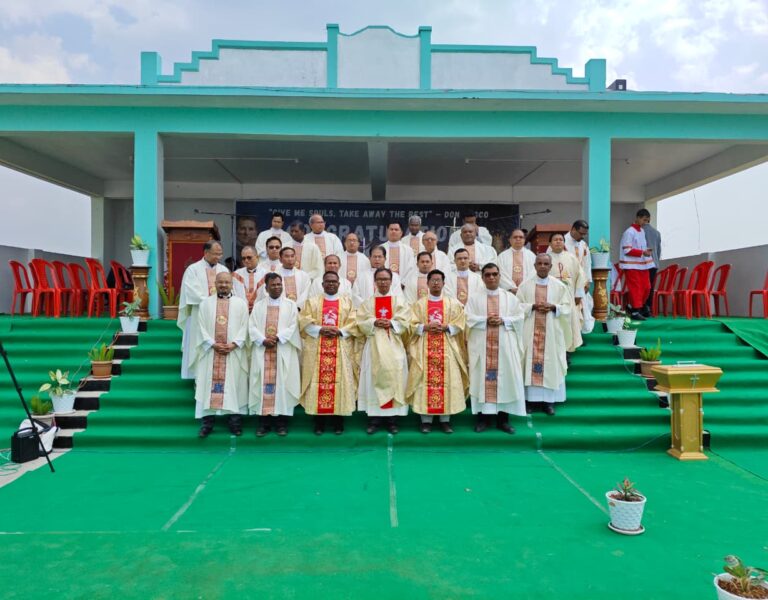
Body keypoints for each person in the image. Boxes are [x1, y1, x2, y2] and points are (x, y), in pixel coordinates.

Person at [465, 263, 526, 433]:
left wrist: (504, 320)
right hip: (482, 346)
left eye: (494, 274)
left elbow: (520, 317)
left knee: (504, 379)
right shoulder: (474, 299)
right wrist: (485, 320)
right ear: (482, 277)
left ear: (499, 276)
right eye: (487, 275)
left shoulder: (510, 298)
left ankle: (503, 420)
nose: (491, 277)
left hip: (504, 347)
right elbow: (467, 318)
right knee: (481, 379)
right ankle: (482, 419)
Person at [406, 269, 468, 434]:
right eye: (432, 280)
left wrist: (447, 327)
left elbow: (461, 323)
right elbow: (410, 324)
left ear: (443, 283)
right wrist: (424, 327)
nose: (435, 283)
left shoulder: (452, 303)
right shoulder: (419, 304)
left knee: (448, 380)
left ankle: (445, 420)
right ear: (427, 283)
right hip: (425, 347)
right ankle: (425, 420)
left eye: (438, 280)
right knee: (424, 380)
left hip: (446, 346)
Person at [300, 271, 358, 435]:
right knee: (317, 383)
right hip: (318, 349)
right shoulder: (312, 302)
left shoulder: (347, 302)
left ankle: (338, 421)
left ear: (339, 284)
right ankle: (319, 422)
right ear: (322, 284)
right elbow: (303, 320)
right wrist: (321, 329)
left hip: (340, 348)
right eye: (328, 282)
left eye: (334, 282)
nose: (331, 284)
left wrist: (340, 331)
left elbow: (354, 322)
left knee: (341, 382)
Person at [192, 272, 249, 437]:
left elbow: (245, 326)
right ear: (215, 284)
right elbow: (200, 327)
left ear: (232, 284)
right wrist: (213, 344)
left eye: (227, 282)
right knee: (206, 386)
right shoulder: (205, 304)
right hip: (211, 352)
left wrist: (234, 344)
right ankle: (207, 424)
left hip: (233, 353)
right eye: (220, 282)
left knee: (235, 386)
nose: (223, 285)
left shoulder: (240, 304)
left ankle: (235, 423)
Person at [356, 268, 411, 434]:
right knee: (373, 377)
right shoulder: (368, 302)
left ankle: (392, 419)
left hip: (393, 345)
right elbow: (360, 321)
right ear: (375, 281)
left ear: (391, 281)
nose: (383, 282)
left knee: (395, 377)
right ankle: (375, 419)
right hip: (373, 346)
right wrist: (373, 322)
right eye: (379, 279)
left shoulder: (399, 301)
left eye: (386, 279)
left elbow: (406, 321)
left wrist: (392, 323)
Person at [517, 254, 571, 416]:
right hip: (530, 331)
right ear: (534, 266)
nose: (542, 266)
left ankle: (549, 402)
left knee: (551, 364)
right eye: (539, 263)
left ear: (550, 266)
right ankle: (530, 401)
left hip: (552, 333)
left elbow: (568, 307)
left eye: (545, 264)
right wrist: (532, 306)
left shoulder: (559, 286)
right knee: (529, 362)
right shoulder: (525, 286)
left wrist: (554, 307)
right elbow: (517, 307)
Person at [248, 273, 302, 437]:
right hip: (263, 350)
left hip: (283, 350)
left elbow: (294, 325)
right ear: (266, 287)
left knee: (283, 385)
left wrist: (278, 337)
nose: (277, 287)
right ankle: (264, 423)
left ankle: (281, 423)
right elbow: (251, 326)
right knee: (262, 385)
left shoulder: (291, 305)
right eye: (273, 285)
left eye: (279, 284)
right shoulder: (258, 306)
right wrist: (262, 339)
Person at [177, 241, 229, 379]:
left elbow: (230, 289)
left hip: (221, 312)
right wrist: (211, 301)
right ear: (205, 253)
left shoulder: (223, 270)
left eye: (220, 254)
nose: (218, 257)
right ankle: (197, 378)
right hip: (199, 313)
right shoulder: (193, 269)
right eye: (215, 254)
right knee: (198, 343)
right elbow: (192, 292)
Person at [547, 232, 584, 353]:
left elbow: (580, 276)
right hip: (550, 298)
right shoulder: (545, 258)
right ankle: (554, 351)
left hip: (568, 297)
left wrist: (578, 294)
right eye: (555, 240)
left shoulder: (571, 257)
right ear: (550, 243)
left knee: (568, 324)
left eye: (561, 240)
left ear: (564, 243)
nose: (558, 242)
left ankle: (567, 352)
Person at [620, 209, 655, 320]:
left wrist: (646, 251)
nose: (645, 223)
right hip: (631, 265)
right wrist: (642, 252)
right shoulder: (629, 232)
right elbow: (626, 250)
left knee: (647, 287)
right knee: (636, 288)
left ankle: (631, 306)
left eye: (647, 221)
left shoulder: (642, 231)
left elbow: (641, 247)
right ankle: (635, 311)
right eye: (644, 220)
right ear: (638, 217)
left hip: (642, 264)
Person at [564, 220, 595, 334]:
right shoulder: (561, 242)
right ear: (573, 229)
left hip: (581, 283)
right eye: (581, 233)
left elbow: (587, 264)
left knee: (584, 307)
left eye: (584, 234)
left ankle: (580, 336)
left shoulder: (583, 245)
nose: (582, 237)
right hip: (566, 283)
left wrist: (588, 281)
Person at [232, 245, 263, 312]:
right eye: (244, 258)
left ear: (257, 257)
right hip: (241, 311)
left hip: (259, 311)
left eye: (249, 257)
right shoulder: (236, 275)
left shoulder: (266, 274)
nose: (246, 260)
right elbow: (233, 294)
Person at [642, 214, 662, 315]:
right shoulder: (657, 233)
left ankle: (641, 307)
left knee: (642, 287)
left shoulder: (640, 231)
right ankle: (649, 308)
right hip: (654, 264)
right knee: (650, 287)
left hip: (643, 264)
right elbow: (658, 251)